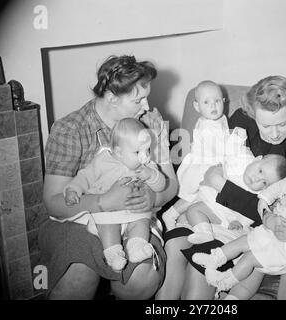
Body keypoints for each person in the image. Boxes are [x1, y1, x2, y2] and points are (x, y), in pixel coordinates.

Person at [156, 75, 286, 300]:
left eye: (282, 123)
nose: (275, 132)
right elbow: (216, 157)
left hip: (236, 228)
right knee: (173, 246)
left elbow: (268, 213)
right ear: (252, 113)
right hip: (207, 208)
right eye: (266, 124)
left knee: (197, 271)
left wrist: (221, 185)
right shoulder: (241, 120)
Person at [40, 54, 178, 299]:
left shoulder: (149, 125)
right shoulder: (70, 129)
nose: (147, 107)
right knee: (78, 275)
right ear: (112, 98)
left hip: (137, 219)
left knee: (140, 280)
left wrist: (153, 197)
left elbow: (171, 185)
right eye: (139, 100)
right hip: (79, 218)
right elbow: (53, 202)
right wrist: (102, 201)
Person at [193, 148, 286, 299]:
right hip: (269, 231)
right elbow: (275, 189)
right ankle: (213, 259)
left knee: (250, 258)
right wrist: (265, 202)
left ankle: (224, 282)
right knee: (242, 241)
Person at [61, 118, 166, 272]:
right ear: (118, 152)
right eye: (138, 152)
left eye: (147, 150)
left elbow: (161, 184)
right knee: (107, 225)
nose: (145, 156)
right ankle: (114, 253)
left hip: (136, 212)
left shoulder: (147, 166)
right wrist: (73, 189)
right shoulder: (103, 161)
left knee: (142, 222)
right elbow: (85, 177)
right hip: (108, 213)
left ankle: (136, 246)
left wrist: (151, 175)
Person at [162, 80, 228, 230]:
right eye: (206, 102)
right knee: (192, 194)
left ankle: (184, 219)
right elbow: (214, 150)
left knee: (203, 197)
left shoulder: (222, 119)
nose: (213, 106)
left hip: (214, 164)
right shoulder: (206, 126)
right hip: (202, 164)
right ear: (197, 106)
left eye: (217, 101)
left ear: (224, 101)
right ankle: (171, 214)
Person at [185, 153, 286, 244]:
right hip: (209, 199)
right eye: (260, 171)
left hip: (222, 214)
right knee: (187, 211)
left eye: (264, 182)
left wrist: (240, 222)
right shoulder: (238, 165)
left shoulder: (258, 194)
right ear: (257, 159)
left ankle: (204, 234)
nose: (257, 178)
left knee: (193, 210)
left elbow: (253, 213)